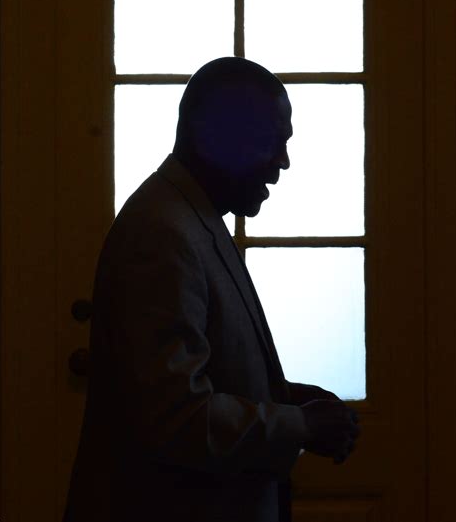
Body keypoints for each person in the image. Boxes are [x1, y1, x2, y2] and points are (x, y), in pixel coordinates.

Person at [63, 56, 359, 522]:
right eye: (272, 142)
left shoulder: (186, 219)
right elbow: (174, 418)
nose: (283, 162)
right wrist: (300, 425)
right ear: (217, 136)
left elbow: (192, 377)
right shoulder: (164, 235)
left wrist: (279, 395)